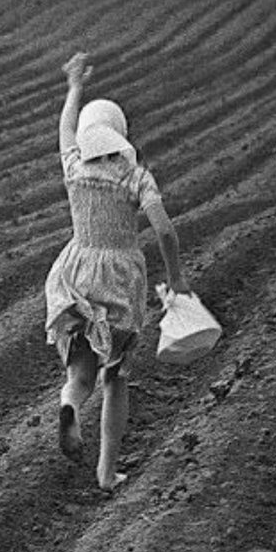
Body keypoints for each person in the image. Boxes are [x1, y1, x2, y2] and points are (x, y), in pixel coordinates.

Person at [44, 51, 190, 491]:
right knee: (116, 376)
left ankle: (70, 404)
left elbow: (66, 128)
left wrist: (74, 85)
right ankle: (107, 473)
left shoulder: (74, 164)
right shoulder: (136, 175)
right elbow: (164, 231)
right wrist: (177, 279)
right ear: (121, 134)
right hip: (119, 279)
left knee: (81, 374)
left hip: (74, 272)